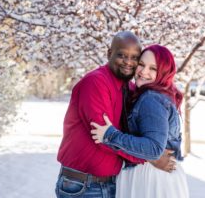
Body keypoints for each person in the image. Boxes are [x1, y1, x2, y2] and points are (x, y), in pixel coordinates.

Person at [55, 32, 175, 198]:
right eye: (122, 55)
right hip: (84, 185)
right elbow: (103, 138)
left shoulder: (132, 89)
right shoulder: (96, 83)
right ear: (109, 54)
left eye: (134, 58)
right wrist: (151, 157)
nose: (128, 62)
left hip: (109, 183)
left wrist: (150, 151)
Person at [91, 45, 190, 198]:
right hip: (159, 176)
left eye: (153, 69)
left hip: (150, 178)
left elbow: (153, 149)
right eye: (142, 65)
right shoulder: (160, 94)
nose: (144, 72)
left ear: (164, 72)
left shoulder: (151, 99)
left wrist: (110, 135)